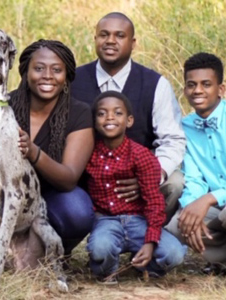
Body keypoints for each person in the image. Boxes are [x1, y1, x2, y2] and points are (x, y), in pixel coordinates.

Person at [71, 12, 186, 224]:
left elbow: (173, 140)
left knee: (176, 182)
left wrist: (149, 177)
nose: (110, 41)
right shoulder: (72, 82)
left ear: (133, 42)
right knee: (68, 204)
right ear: (95, 39)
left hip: (139, 177)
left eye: (119, 35)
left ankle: (147, 236)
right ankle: (69, 244)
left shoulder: (156, 84)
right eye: (104, 35)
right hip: (86, 179)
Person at [85, 91, 185, 284]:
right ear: (95, 121)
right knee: (100, 247)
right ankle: (106, 270)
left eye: (118, 113)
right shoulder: (89, 153)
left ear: (129, 120)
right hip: (106, 220)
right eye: (102, 113)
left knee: (174, 254)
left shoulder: (142, 156)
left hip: (138, 221)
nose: (110, 117)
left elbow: (155, 202)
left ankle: (144, 265)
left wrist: (150, 242)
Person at [10, 39, 95, 255]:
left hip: (53, 196)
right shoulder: (6, 106)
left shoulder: (79, 113)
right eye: (39, 68)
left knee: (78, 211)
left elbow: (68, 179)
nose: (47, 75)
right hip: (7, 194)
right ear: (25, 73)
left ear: (66, 77)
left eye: (56, 70)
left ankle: (53, 252)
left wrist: (33, 152)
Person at [166, 53, 226, 271]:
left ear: (221, 89)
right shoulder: (185, 127)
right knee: (178, 225)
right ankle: (220, 260)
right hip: (216, 205)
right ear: (185, 91)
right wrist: (192, 206)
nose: (198, 90)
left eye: (206, 84)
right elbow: (193, 176)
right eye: (191, 85)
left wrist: (210, 198)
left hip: (220, 201)